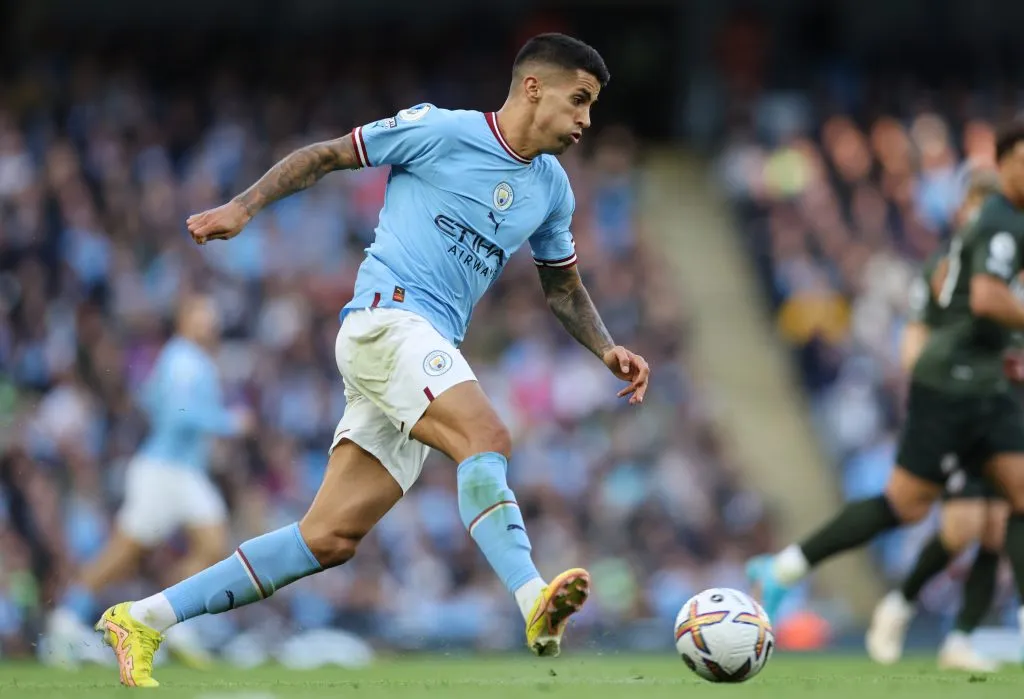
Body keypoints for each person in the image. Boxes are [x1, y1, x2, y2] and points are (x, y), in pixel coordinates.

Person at [94, 33, 651, 688]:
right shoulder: (439, 130)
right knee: (487, 436)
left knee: (327, 538)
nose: (587, 120)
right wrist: (242, 208)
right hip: (386, 323)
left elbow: (561, 285)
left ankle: (142, 617)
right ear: (533, 87)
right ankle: (532, 598)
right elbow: (329, 155)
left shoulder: (552, 189)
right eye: (579, 100)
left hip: (424, 346)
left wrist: (606, 345)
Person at [746, 122, 1024, 663]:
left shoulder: (993, 240)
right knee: (922, 509)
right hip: (955, 389)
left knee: (995, 516)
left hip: (991, 387)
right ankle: (848, 588)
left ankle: (955, 631)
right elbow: (938, 320)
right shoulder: (982, 241)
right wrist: (918, 366)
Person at [47, 295, 253, 669]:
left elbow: (150, 398)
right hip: (163, 472)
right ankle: (64, 621)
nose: (209, 322)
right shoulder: (183, 360)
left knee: (213, 544)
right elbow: (178, 414)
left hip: (184, 472)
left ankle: (168, 619)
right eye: (201, 315)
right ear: (183, 320)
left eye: (211, 316)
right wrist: (228, 421)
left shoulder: (186, 360)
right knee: (123, 553)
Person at [865, 169, 1008, 672]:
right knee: (966, 524)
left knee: (996, 526)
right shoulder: (949, 266)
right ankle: (900, 603)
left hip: (1003, 405)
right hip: (961, 404)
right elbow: (917, 339)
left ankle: (960, 638)